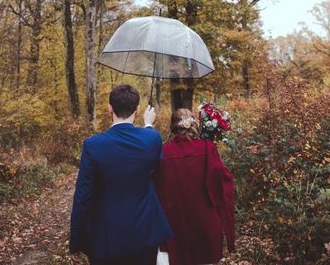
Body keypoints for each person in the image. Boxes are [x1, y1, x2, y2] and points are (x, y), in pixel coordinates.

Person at [69, 84, 173, 265]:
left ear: (110, 108)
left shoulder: (93, 145)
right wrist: (148, 123)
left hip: (106, 237)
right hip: (144, 233)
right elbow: (149, 140)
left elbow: (82, 198)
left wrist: (76, 241)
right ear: (137, 109)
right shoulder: (152, 139)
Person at [155, 108, 235, 265]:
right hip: (206, 226)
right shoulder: (208, 148)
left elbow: (156, 190)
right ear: (193, 125)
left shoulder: (163, 153)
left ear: (172, 128)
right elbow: (222, 183)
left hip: (175, 227)